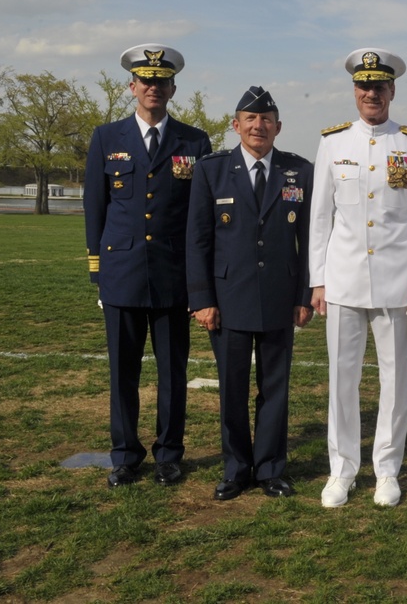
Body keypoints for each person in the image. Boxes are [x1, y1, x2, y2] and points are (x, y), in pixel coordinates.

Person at [308, 48, 407, 508]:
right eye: (364, 86)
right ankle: (341, 470)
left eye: (379, 86)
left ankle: (387, 470)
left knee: (394, 381)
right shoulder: (333, 143)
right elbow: (320, 217)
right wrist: (318, 280)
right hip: (342, 280)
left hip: (396, 282)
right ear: (355, 91)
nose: (371, 93)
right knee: (342, 381)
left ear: (392, 91)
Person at [84, 43, 212, 488]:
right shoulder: (106, 138)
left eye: (161, 81)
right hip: (121, 274)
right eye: (146, 80)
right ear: (132, 86)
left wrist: (199, 280)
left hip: (173, 274)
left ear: (173, 87)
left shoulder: (194, 141)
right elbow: (95, 208)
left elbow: (199, 216)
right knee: (123, 371)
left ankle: (169, 454)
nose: (153, 87)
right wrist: (98, 272)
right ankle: (124, 455)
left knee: (172, 372)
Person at [186, 86, 313, 501]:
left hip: (280, 295)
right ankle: (236, 468)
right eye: (250, 119)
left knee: (275, 388)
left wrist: (304, 294)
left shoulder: (298, 171)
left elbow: (310, 239)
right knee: (232, 388)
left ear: (279, 126)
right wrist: (202, 299)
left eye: (267, 120)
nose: (259, 126)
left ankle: (272, 469)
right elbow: (198, 240)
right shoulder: (212, 170)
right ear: (235, 124)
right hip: (227, 299)